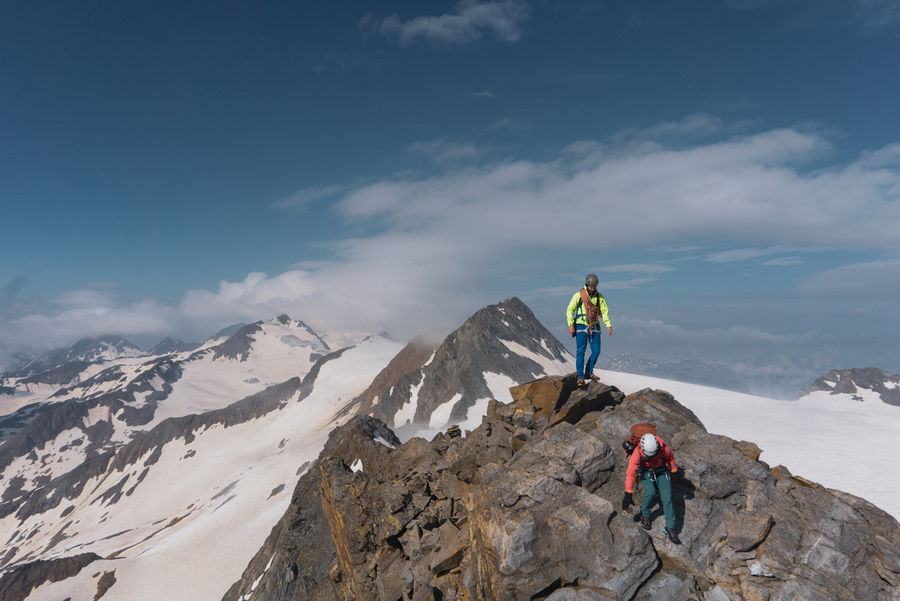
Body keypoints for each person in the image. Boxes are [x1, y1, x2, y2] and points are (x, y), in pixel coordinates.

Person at [622, 433, 680, 544]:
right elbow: (630, 473)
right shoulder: (637, 452)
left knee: (667, 498)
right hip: (646, 471)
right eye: (648, 456)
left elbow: (670, 457)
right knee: (650, 492)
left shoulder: (662, 447)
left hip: (661, 470)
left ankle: (670, 527)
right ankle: (645, 515)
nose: (650, 457)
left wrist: (674, 470)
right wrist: (628, 492)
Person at [566, 274, 612, 386]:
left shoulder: (599, 297)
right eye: (591, 286)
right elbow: (570, 310)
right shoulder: (579, 295)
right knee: (581, 351)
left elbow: (604, 311)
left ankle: (588, 372)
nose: (592, 288)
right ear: (587, 285)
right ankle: (580, 375)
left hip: (594, 325)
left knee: (596, 351)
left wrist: (608, 325)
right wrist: (570, 324)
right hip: (581, 325)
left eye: (594, 286)